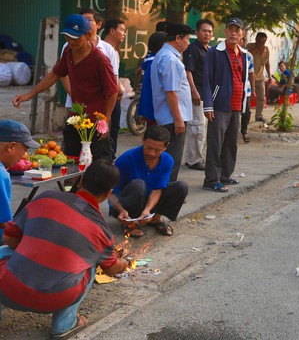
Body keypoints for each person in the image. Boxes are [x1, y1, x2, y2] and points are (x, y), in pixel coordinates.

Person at [0, 160, 129, 338]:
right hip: (54, 300)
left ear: (81, 180)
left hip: (7, 291)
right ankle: (64, 324)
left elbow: (9, 238)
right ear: (108, 193)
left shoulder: (46, 197)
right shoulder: (102, 231)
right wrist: (123, 263)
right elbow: (113, 269)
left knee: (3, 251)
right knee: (90, 262)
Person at [13, 14, 118, 161]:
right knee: (70, 161)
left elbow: (113, 91)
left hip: (95, 122)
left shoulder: (100, 59)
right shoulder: (68, 52)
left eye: (76, 38)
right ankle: (74, 184)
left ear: (88, 35)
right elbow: (55, 74)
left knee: (99, 166)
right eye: (68, 37)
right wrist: (29, 94)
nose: (71, 41)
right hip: (75, 118)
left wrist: (105, 120)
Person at [108, 125, 187, 237]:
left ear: (166, 147)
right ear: (142, 141)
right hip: (124, 205)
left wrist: (148, 209)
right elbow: (110, 191)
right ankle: (130, 223)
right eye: (148, 148)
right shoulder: (127, 158)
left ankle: (155, 219)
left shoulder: (167, 160)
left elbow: (158, 188)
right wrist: (120, 209)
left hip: (148, 202)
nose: (152, 153)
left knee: (181, 187)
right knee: (138, 184)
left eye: (157, 150)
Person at [201, 17, 250, 192]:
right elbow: (206, 79)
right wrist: (208, 104)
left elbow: (244, 80)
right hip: (219, 105)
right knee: (216, 143)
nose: (234, 33)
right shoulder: (215, 52)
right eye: (231, 29)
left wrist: (246, 104)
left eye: (237, 30)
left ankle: (224, 175)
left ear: (242, 34)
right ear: (225, 32)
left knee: (230, 143)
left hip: (237, 106)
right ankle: (211, 179)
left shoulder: (244, 55)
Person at [151, 22, 194, 182]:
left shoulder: (164, 55)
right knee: (172, 159)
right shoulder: (170, 60)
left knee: (167, 158)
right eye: (187, 39)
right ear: (178, 38)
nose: (188, 43)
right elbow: (171, 92)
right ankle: (168, 193)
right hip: (172, 119)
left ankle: (164, 191)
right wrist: (178, 119)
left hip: (168, 117)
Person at [183, 18, 214, 171]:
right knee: (197, 127)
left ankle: (196, 157)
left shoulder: (209, 50)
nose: (207, 34)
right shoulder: (192, 49)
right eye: (204, 31)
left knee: (202, 128)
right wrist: (193, 91)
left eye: (209, 31)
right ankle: (193, 159)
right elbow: (188, 71)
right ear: (197, 32)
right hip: (197, 95)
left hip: (207, 96)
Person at [0, 120, 40, 238]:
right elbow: (3, 223)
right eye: (25, 150)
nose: (23, 156)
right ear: (11, 146)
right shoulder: (1, 175)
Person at [103, 18, 128, 159]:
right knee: (109, 130)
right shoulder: (104, 50)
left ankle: (110, 158)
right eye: (122, 30)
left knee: (113, 130)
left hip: (114, 96)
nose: (124, 34)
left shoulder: (114, 52)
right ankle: (107, 159)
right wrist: (120, 90)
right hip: (107, 98)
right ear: (112, 31)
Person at [137, 31, 167, 127]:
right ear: (163, 46)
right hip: (156, 110)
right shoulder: (157, 64)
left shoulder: (150, 62)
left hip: (149, 108)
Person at [247, 32, 271, 122]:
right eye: (260, 42)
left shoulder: (266, 50)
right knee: (248, 97)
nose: (262, 44)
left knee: (261, 97)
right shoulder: (249, 46)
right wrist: (256, 49)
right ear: (256, 40)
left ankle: (259, 115)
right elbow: (245, 55)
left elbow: (267, 63)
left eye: (263, 43)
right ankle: (246, 114)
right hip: (249, 77)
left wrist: (269, 75)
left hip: (260, 77)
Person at [239, 36, 255, 143]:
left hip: (246, 89)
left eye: (241, 39)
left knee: (246, 111)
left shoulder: (248, 56)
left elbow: (251, 73)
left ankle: (244, 131)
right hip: (232, 89)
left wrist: (253, 89)